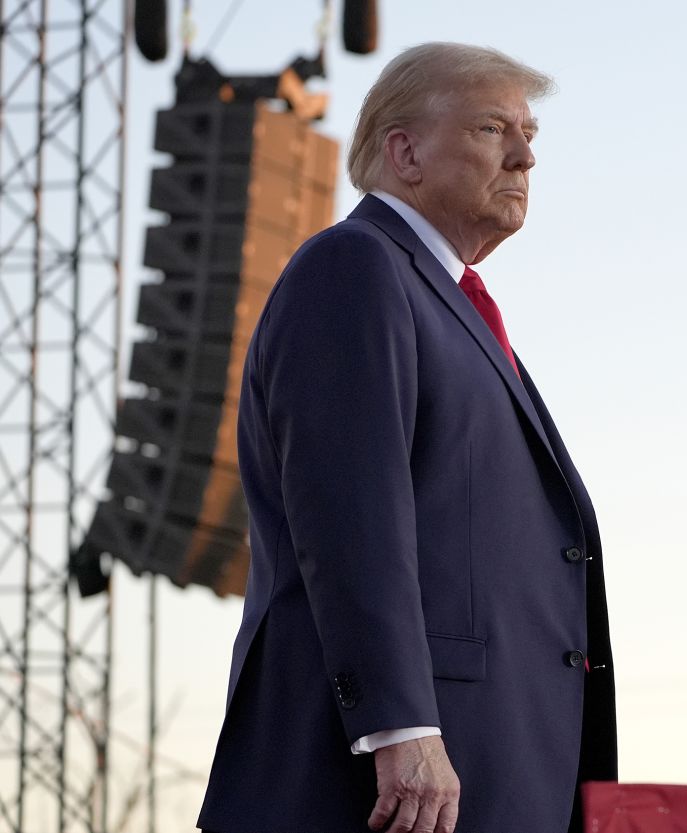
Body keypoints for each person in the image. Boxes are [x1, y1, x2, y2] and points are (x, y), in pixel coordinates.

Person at [197, 43, 616, 833]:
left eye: (529, 134)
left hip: (494, 769)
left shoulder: (453, 309)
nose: (526, 155)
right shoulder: (354, 267)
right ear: (405, 151)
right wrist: (398, 725)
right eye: (495, 129)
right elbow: (348, 515)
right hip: (386, 786)